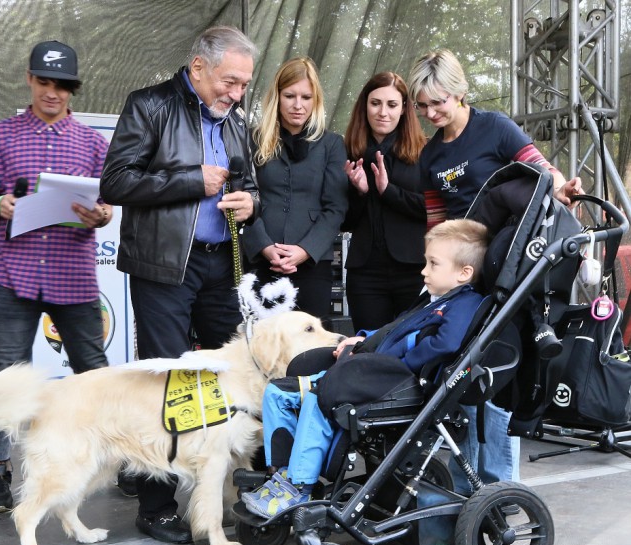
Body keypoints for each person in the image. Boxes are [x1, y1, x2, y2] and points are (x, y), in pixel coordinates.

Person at [100, 26, 259, 544]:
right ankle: (155, 505)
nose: (236, 95)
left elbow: (248, 183)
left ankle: (225, 500)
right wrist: (194, 181)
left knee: (233, 380)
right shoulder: (149, 105)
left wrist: (248, 203)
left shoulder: (236, 121)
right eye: (229, 82)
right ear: (198, 68)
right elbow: (116, 182)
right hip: (163, 268)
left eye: (243, 86)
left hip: (220, 267)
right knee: (168, 386)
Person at [406, 48, 583, 493]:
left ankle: (500, 491)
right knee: (462, 378)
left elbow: (543, 174)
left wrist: (566, 189)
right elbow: (435, 222)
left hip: (509, 271)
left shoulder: (495, 128)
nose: (430, 112)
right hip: (462, 280)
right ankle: (467, 490)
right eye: (422, 105)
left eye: (438, 102)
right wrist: (433, 269)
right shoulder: (430, 157)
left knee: (500, 380)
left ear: (460, 92)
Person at [242, 219, 489, 517]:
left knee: (319, 398)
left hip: (392, 381)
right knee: (277, 393)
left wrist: (392, 363)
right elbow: (394, 331)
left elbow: (445, 345)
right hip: (368, 372)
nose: (423, 270)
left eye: (433, 264)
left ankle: (299, 485)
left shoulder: (463, 304)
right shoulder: (432, 300)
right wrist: (364, 339)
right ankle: (283, 474)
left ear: (464, 273)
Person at [0, 41, 113, 513]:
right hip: (14, 274)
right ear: (30, 80)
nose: (52, 93)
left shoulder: (94, 144)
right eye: (44, 82)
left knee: (94, 374)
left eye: (62, 85)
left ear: (72, 90)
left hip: (72, 276)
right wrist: (2, 205)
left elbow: (106, 207)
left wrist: (100, 217)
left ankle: (113, 461)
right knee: (4, 377)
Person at [242, 57, 348, 320]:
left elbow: (335, 207)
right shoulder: (252, 139)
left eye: (306, 97)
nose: (298, 105)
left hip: (312, 263)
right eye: (290, 96)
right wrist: (264, 246)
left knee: (308, 351)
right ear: (277, 96)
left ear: (316, 100)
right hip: (260, 260)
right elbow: (244, 197)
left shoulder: (332, 144)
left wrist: (305, 250)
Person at [342, 72, 427, 331]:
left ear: (404, 109)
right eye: (375, 103)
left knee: (412, 349)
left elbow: (432, 210)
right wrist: (361, 192)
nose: (383, 112)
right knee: (368, 349)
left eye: (392, 104)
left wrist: (388, 191)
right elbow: (343, 220)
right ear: (364, 106)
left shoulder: (425, 151)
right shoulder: (348, 153)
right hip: (365, 273)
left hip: (413, 270)